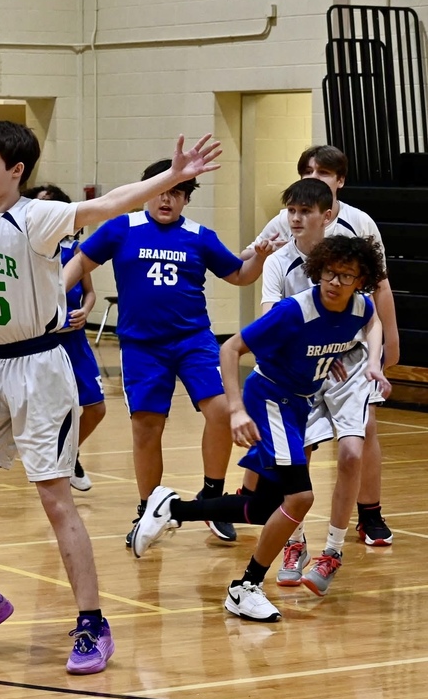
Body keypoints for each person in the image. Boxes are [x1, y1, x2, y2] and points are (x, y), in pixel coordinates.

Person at [0, 32, 220, 674]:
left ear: (16, 172)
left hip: (42, 367)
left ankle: (93, 623)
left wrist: (168, 181)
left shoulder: (36, 216)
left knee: (54, 496)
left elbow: (103, 204)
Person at [132, 234, 390, 623]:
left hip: (299, 403)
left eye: (347, 275)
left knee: (263, 507)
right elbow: (230, 348)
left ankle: (172, 508)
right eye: (330, 273)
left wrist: (367, 361)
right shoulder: (294, 311)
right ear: (318, 271)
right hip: (271, 398)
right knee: (300, 498)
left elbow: (372, 322)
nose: (336, 282)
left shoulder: (359, 306)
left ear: (361, 280)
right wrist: (235, 410)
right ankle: (246, 587)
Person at [63, 160, 273, 547]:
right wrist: (53, 293)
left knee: (222, 411)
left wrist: (259, 257)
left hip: (193, 340)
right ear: (147, 191)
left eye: (177, 192)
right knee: (146, 426)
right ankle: (147, 511)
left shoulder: (199, 236)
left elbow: (240, 275)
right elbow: (80, 261)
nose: (167, 199)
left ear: (186, 199)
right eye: (162, 190)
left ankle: (212, 496)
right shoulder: (120, 228)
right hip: (142, 346)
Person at [241, 146, 399, 553]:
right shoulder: (283, 231)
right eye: (307, 170)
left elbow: (377, 288)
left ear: (338, 183)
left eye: (324, 171)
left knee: (361, 437)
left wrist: (389, 340)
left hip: (347, 353)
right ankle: (280, 526)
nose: (296, 217)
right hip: (302, 358)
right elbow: (253, 276)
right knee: (295, 447)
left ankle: (366, 515)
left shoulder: (359, 224)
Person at [24, 184, 105, 492]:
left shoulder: (77, 252)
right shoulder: (28, 251)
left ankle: (69, 453)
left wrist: (85, 311)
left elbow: (90, 293)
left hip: (75, 342)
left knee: (96, 408)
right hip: (44, 344)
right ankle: (54, 465)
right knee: (54, 411)